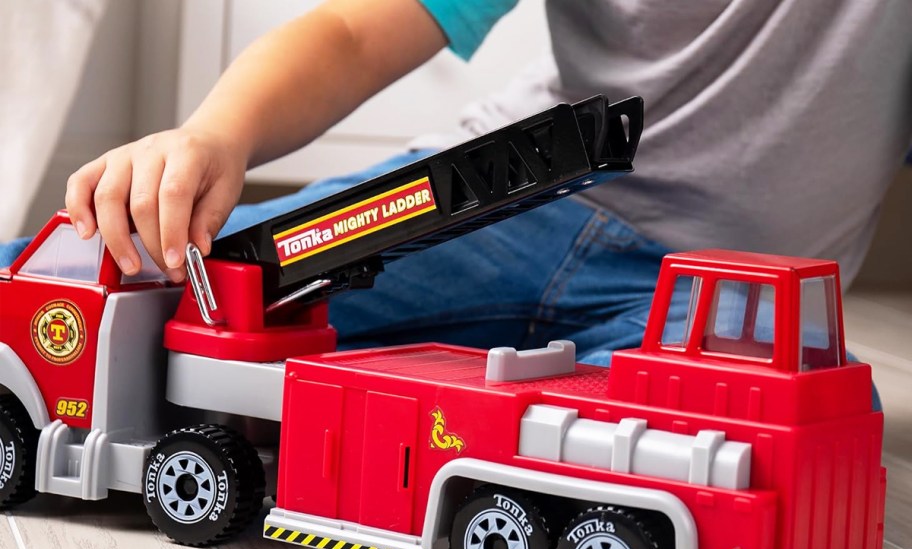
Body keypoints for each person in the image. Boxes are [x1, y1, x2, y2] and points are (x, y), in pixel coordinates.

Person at [58, 0, 912, 363]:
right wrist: (215, 132)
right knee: (101, 300)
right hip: (512, 196)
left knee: (754, 447)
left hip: (736, 286)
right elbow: (361, 30)